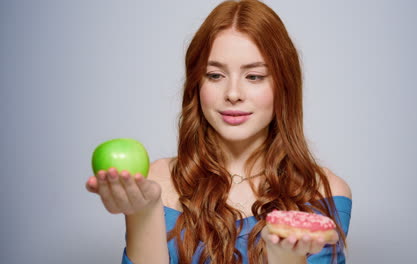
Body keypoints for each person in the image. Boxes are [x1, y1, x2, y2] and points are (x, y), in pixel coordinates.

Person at [86, 0, 352, 263]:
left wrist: (286, 255)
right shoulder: (153, 182)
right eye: (215, 75)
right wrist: (143, 213)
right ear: (196, 84)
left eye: (254, 76)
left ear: (284, 86)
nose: (233, 94)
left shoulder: (324, 193)